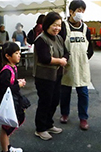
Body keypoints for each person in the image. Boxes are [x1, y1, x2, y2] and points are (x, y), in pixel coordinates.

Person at [59, 0, 94, 130]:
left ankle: (83, 118)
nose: (80, 14)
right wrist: (65, 59)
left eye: (82, 11)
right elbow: (60, 46)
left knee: (83, 92)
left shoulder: (85, 28)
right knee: (65, 91)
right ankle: (64, 114)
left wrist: (83, 58)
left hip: (82, 65)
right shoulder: (63, 26)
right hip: (67, 65)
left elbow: (90, 49)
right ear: (71, 12)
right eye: (78, 11)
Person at [34, 12, 69, 141]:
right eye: (54, 25)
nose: (57, 28)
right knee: (45, 101)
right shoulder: (41, 39)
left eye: (59, 25)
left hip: (57, 75)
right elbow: (45, 58)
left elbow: (66, 52)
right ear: (47, 25)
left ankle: (48, 124)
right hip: (44, 76)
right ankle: (40, 128)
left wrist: (64, 58)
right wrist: (60, 61)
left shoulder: (59, 38)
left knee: (54, 101)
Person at [0, 42, 27, 152]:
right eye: (16, 53)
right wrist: (17, 85)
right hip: (6, 105)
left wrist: (17, 83)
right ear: (8, 56)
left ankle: (8, 147)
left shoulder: (13, 68)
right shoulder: (6, 71)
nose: (19, 55)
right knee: (6, 128)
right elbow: (5, 90)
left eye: (19, 53)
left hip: (13, 103)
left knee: (10, 126)